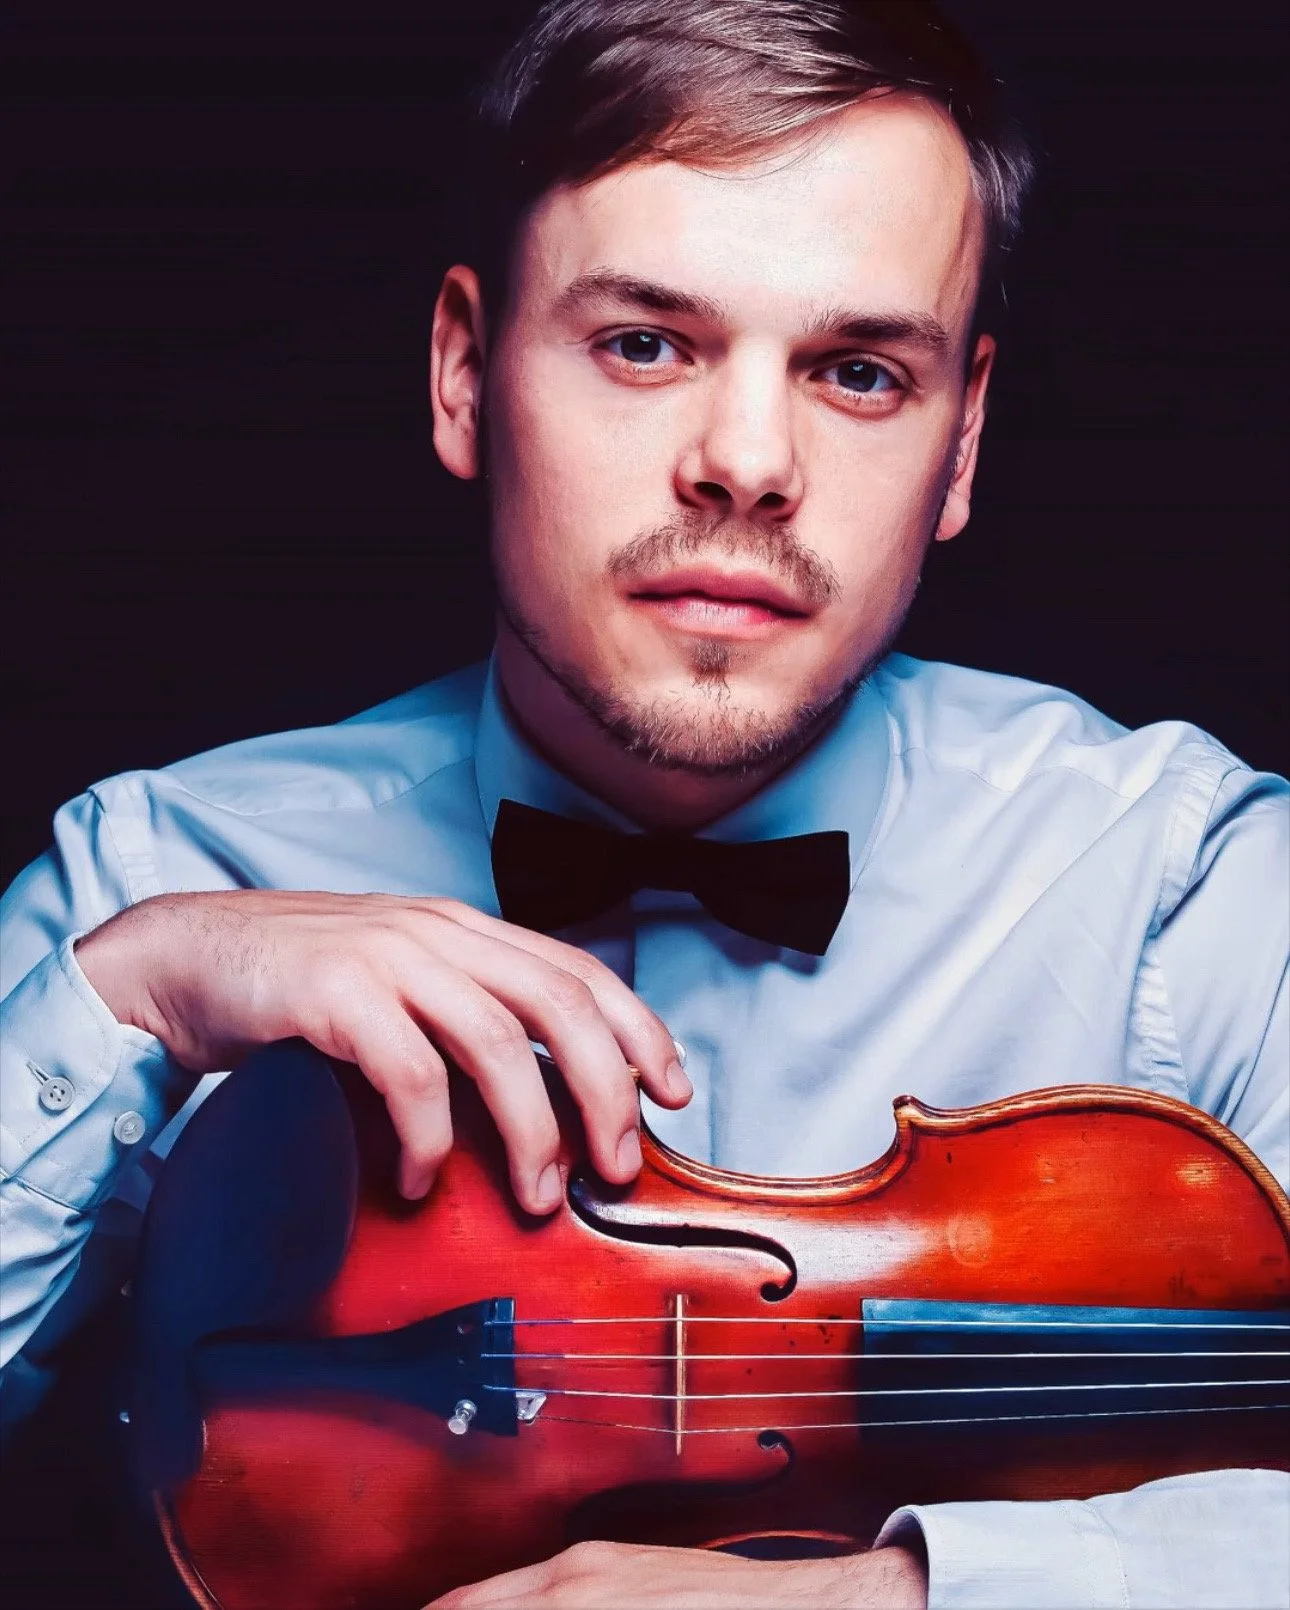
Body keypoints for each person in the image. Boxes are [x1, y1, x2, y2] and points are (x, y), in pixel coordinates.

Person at [2, 1, 1286, 1605]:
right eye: (643, 344)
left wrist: (882, 1596)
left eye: (859, 372)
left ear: (960, 441)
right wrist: (134, 993)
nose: (745, 462)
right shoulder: (158, 872)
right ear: (464, 373)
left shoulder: (1182, 883)